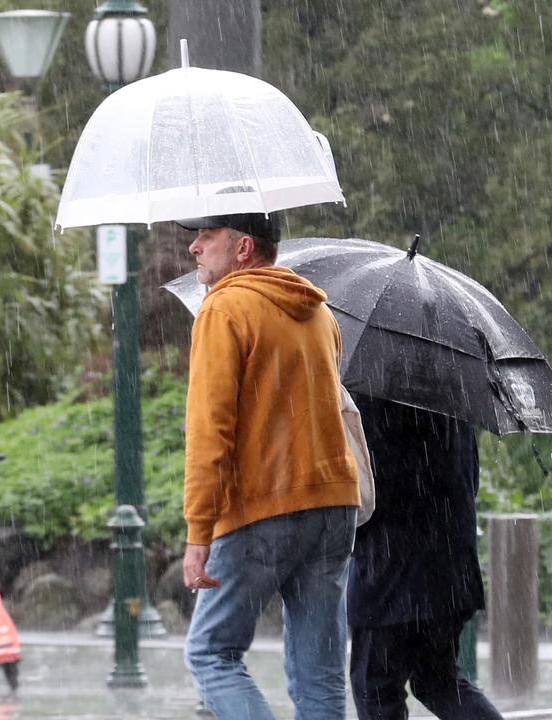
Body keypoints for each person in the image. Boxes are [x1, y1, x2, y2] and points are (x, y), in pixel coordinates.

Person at [177, 209, 360, 720]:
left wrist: (198, 533)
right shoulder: (319, 313)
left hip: (263, 504)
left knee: (211, 653)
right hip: (332, 502)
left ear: (243, 248)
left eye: (206, 238)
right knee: (320, 675)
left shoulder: (224, 309)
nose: (194, 248)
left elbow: (210, 431)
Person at [346, 393, 503, 720]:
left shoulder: (371, 391)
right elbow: (469, 480)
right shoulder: (452, 393)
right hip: (451, 568)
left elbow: (366, 488)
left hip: (388, 573)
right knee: (438, 680)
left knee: (374, 686)